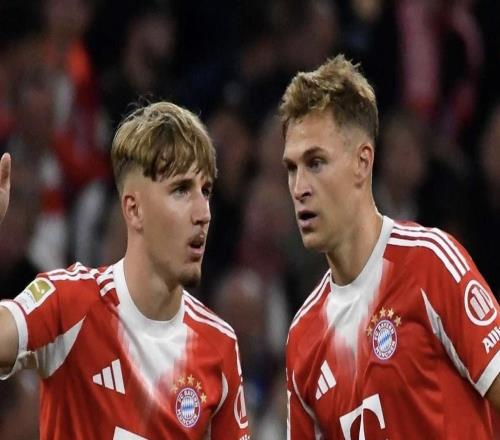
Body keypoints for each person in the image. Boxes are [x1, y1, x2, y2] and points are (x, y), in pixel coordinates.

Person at [0, 101, 250, 439]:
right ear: (133, 210)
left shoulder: (218, 345)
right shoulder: (71, 301)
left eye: (205, 191)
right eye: (181, 190)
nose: (203, 213)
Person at [280, 55, 500, 439]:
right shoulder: (303, 339)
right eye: (291, 168)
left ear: (362, 162)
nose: (299, 188)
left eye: (315, 163)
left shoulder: (429, 264)